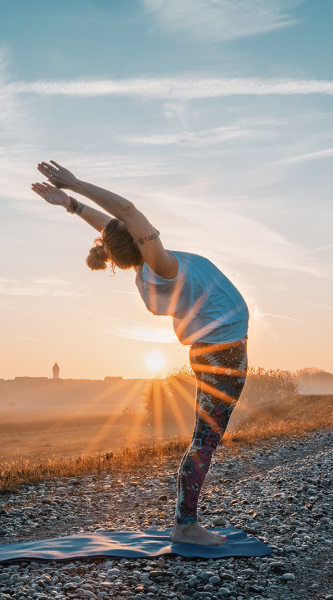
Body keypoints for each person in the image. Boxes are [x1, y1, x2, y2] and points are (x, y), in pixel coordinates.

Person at [31, 160, 250, 546]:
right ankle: (185, 525)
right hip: (223, 356)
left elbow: (115, 226)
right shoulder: (162, 268)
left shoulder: (146, 267)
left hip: (215, 351)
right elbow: (128, 212)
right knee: (205, 441)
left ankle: (186, 521)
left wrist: (72, 206)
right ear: (140, 240)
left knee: (203, 438)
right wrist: (75, 184)